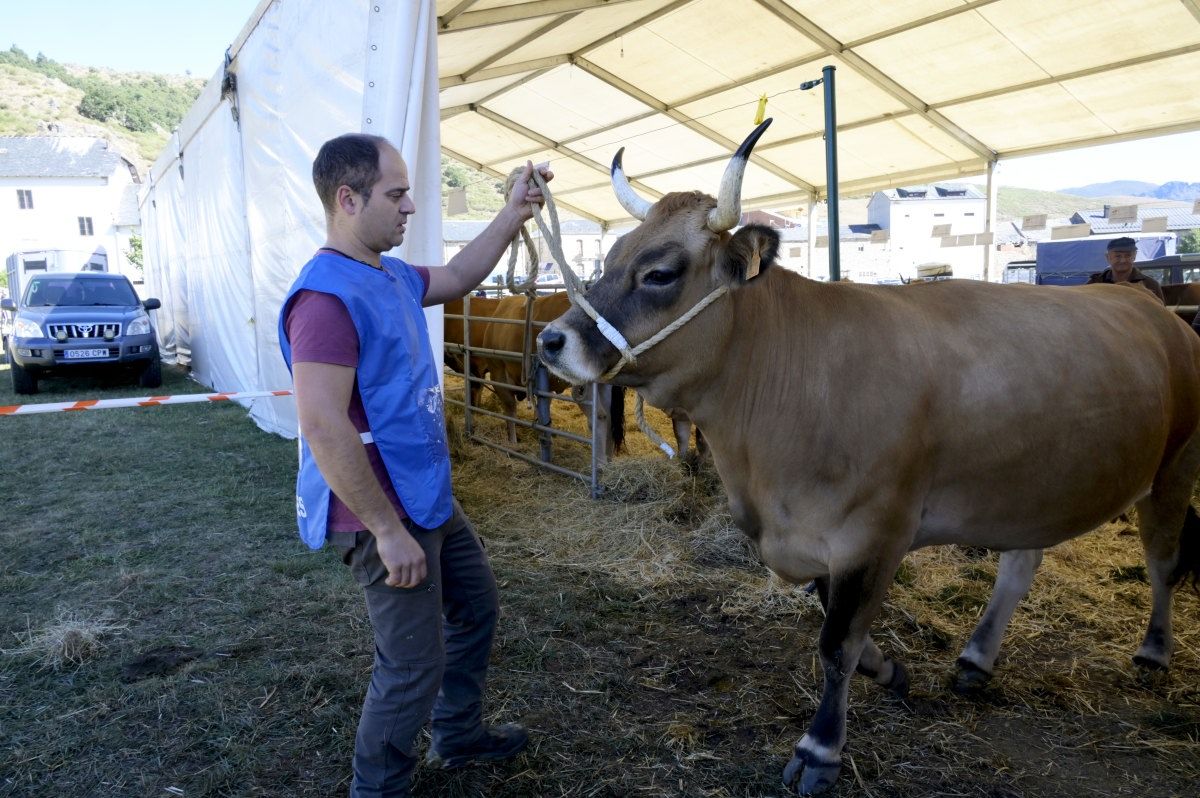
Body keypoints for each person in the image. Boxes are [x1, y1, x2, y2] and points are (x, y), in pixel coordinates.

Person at [278, 132, 551, 797]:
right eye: (396, 195)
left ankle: (456, 735)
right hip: (377, 509)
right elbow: (321, 423)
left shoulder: (389, 274)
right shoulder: (325, 298)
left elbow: (459, 278)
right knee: (409, 665)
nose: (409, 209)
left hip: (420, 493)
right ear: (348, 198)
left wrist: (514, 213)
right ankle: (378, 788)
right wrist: (387, 532)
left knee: (476, 605)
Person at [1086, 236, 1165, 302]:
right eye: (1118, 256)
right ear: (1108, 257)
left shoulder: (1150, 286)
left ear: (1134, 256)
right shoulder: (1095, 283)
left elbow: (1161, 315)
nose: (1123, 260)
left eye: (1128, 255)